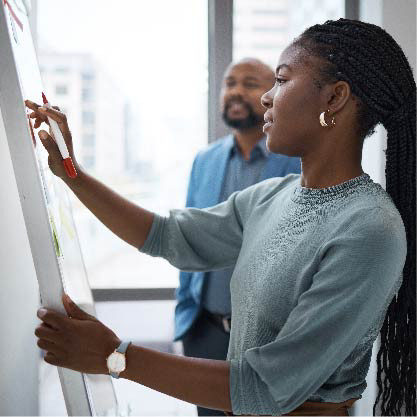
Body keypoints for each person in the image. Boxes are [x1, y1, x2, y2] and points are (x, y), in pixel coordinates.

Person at [28, 18, 415, 416]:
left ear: (334, 98)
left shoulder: (370, 228)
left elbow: (265, 387)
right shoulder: (270, 198)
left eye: (280, 80)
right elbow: (166, 236)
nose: (266, 97)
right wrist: (71, 172)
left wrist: (114, 356)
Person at [177, 57, 300, 416]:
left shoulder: (299, 159)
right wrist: (187, 318)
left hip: (277, 339)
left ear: (273, 95)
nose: (235, 91)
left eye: (249, 83)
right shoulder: (205, 161)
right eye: (230, 82)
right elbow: (187, 237)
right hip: (207, 333)